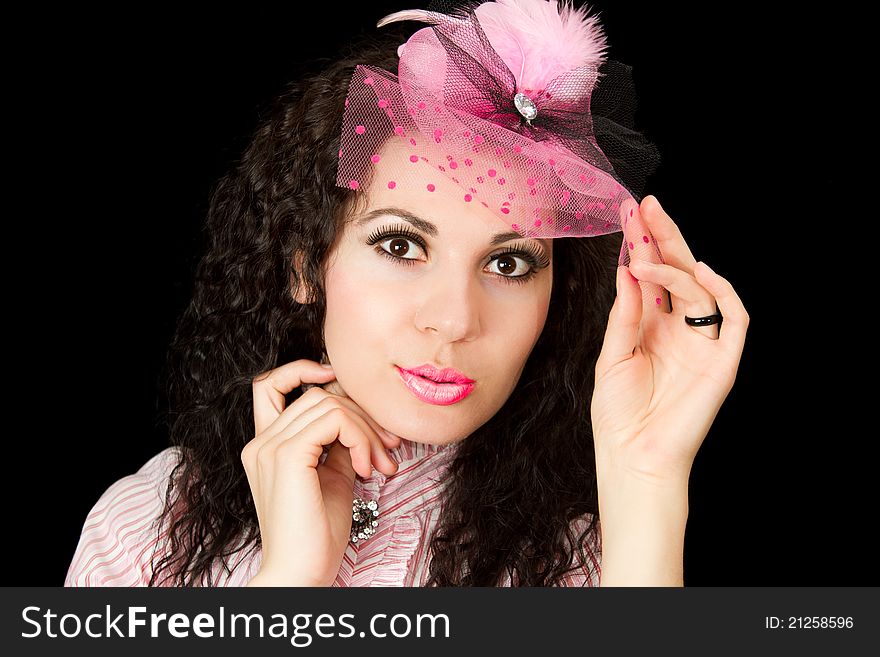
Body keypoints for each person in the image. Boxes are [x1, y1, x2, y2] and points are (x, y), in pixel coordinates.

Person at [64, 0, 748, 587]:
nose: (453, 319)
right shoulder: (152, 526)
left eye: (509, 264)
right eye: (400, 246)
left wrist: (648, 480)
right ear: (306, 263)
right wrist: (289, 582)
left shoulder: (592, 565)